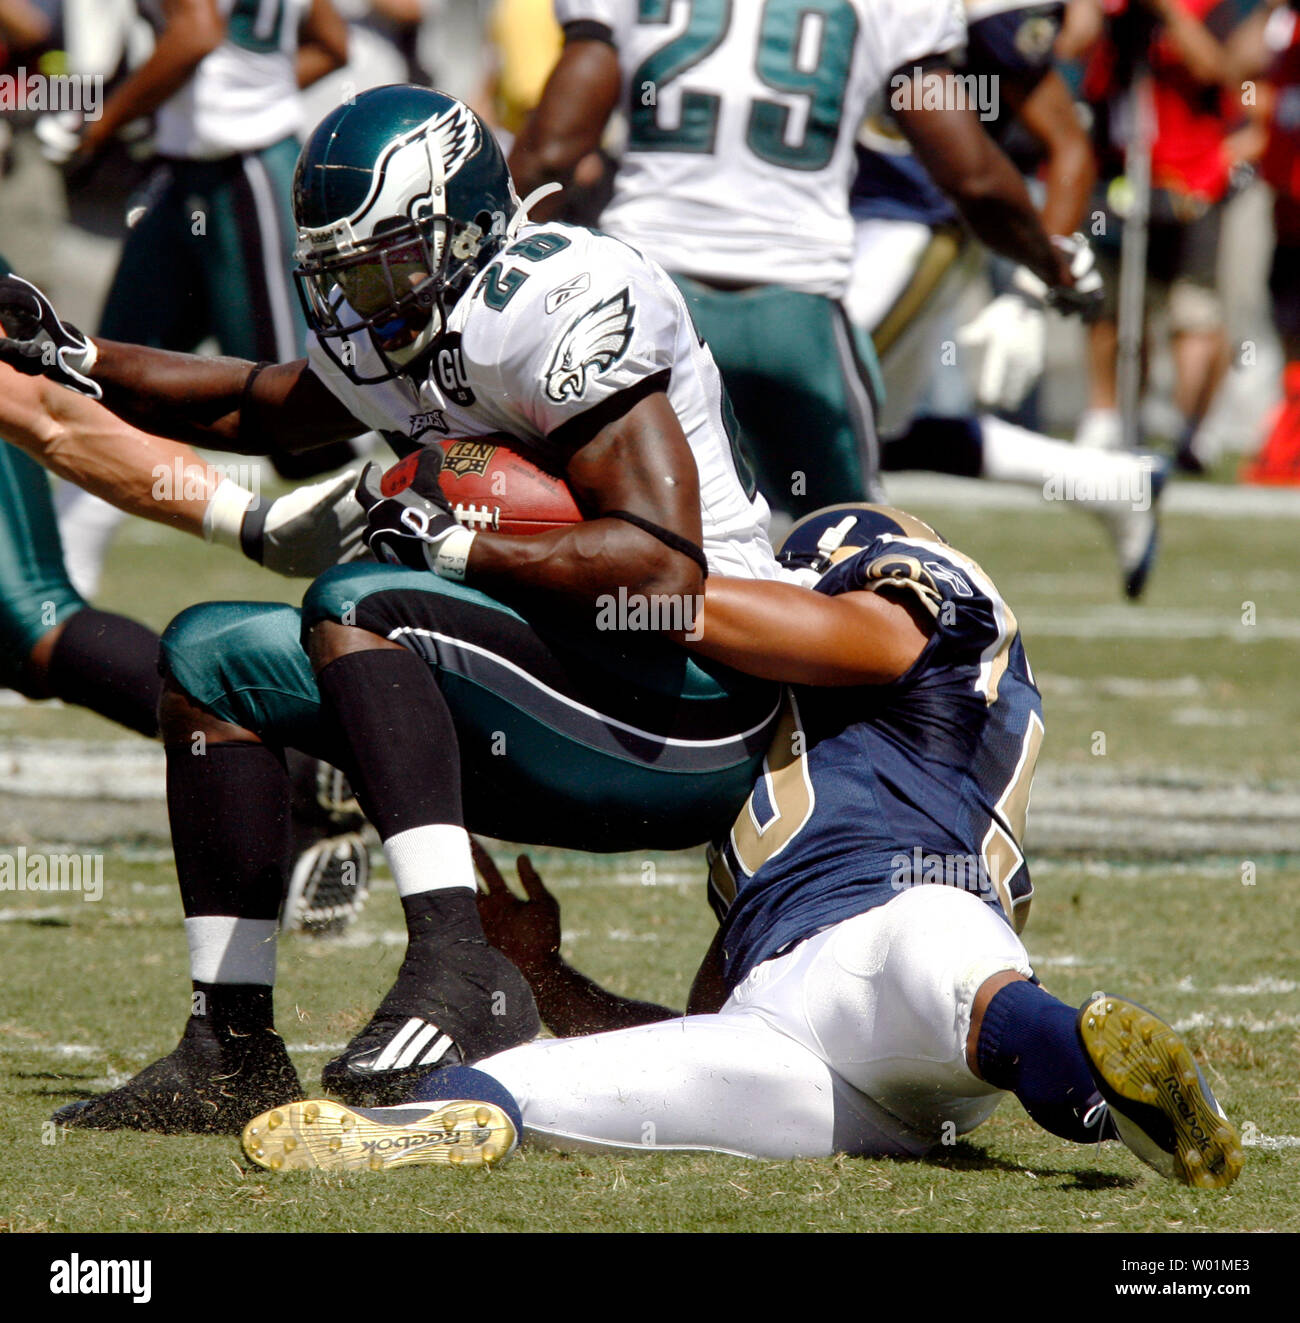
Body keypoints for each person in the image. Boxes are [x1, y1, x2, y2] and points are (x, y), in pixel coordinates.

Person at [21, 85, 808, 1133]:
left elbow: (662, 571)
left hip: (692, 699)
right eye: (343, 271)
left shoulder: (553, 298)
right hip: (558, 681)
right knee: (209, 653)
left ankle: (455, 966)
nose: (362, 297)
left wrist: (462, 544)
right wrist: (77, 358)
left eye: (385, 262)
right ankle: (227, 1049)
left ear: (466, 229)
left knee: (365, 595)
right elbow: (256, 402)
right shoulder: (414, 323)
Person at [237, 505, 1244, 1191]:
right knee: (541, 1081)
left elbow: (876, 637)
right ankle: (415, 1125)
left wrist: (627, 588)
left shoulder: (925, 604)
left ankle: (1111, 1091)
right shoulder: (773, 774)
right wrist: (555, 978)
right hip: (799, 1036)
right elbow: (705, 1016)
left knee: (943, 964)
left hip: (899, 917)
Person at [508, 0, 1098, 518]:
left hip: (653, 301)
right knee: (855, 549)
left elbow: (551, 151)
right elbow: (972, 177)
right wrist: (1053, 266)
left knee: (626, 524)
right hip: (797, 311)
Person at [846, 0, 1167, 599]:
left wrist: (1029, 293)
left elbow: (1069, 146)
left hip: (909, 230)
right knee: (869, 428)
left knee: (817, 413)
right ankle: (1101, 481)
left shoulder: (979, 11)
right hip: (828, 223)